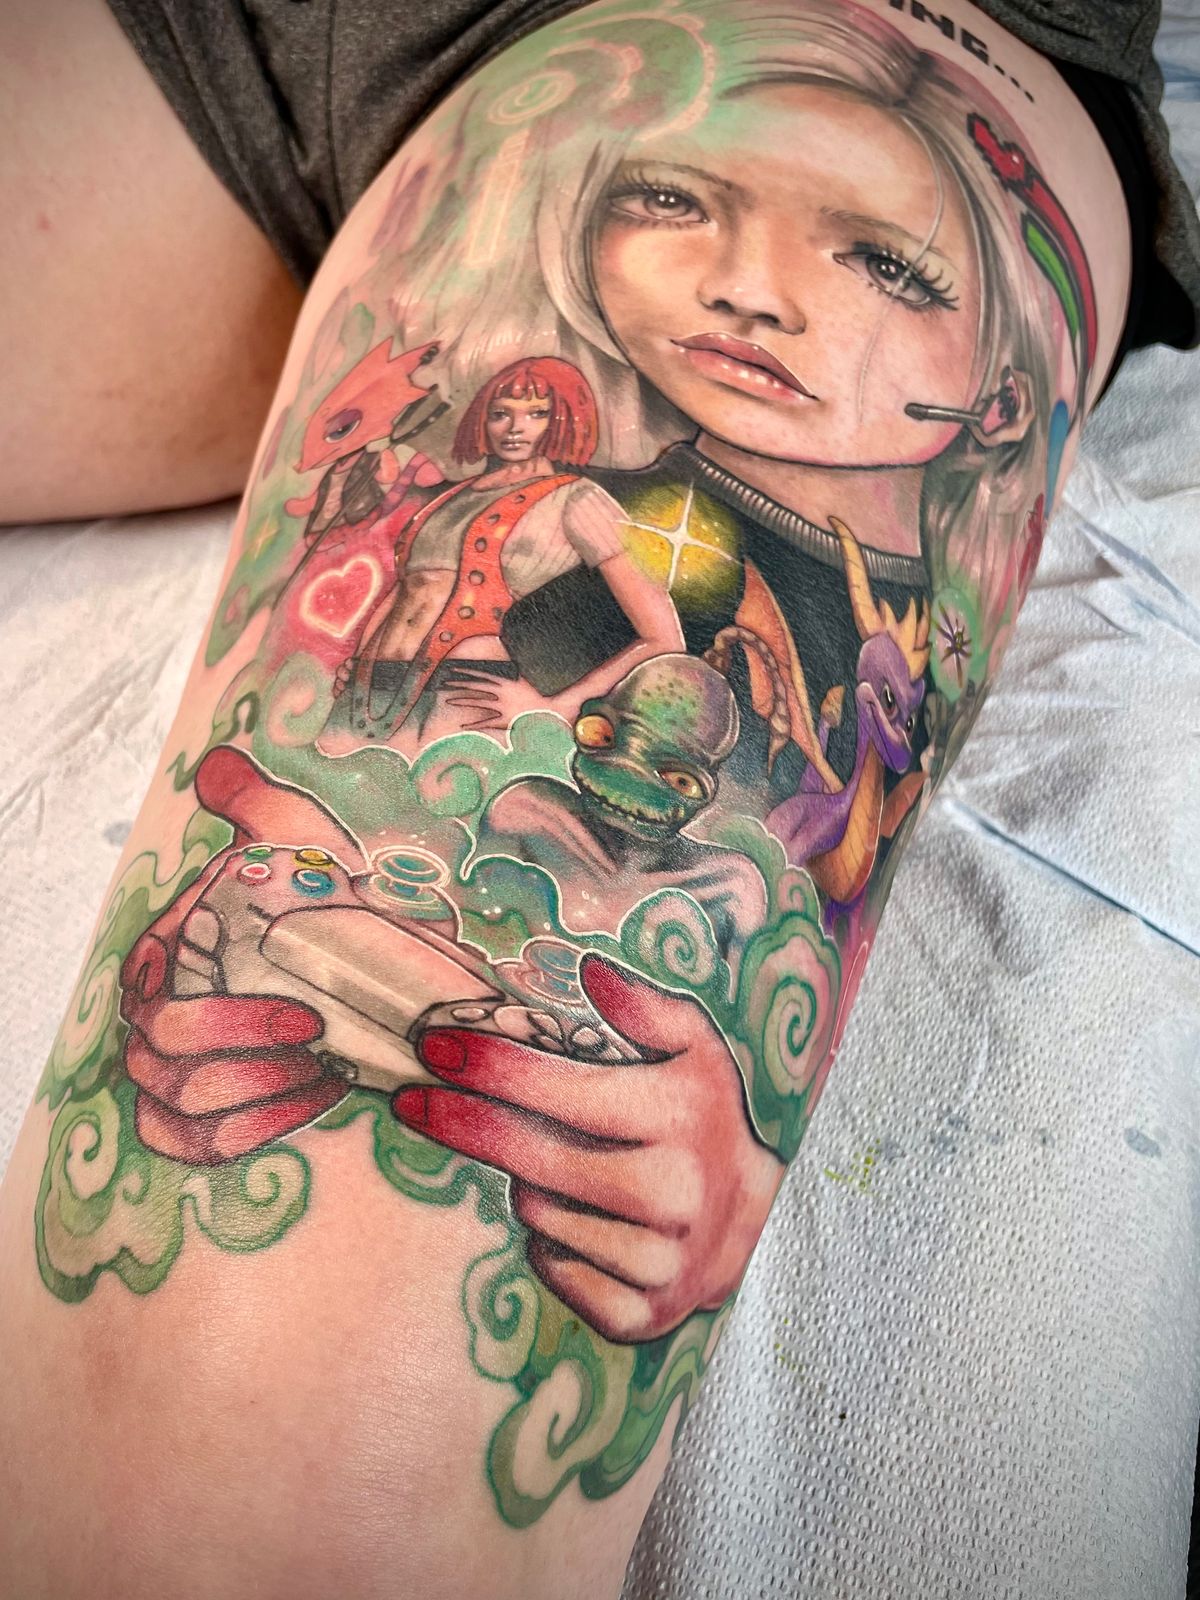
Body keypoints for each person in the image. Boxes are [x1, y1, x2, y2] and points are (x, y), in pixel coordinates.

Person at [0, 2, 1194, 1597]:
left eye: (886, 266)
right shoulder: (602, 511)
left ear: (984, 405)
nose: (749, 285)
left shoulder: (787, 593)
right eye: (674, 206)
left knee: (251, 1507)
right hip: (211, 51)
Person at [322, 354, 685, 755]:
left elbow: (663, 637)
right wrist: (359, 659)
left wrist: (557, 707)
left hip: (466, 691)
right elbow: (406, 589)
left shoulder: (577, 499)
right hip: (368, 689)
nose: (514, 428)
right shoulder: (449, 498)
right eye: (500, 414)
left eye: (537, 414)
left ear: (565, 418)